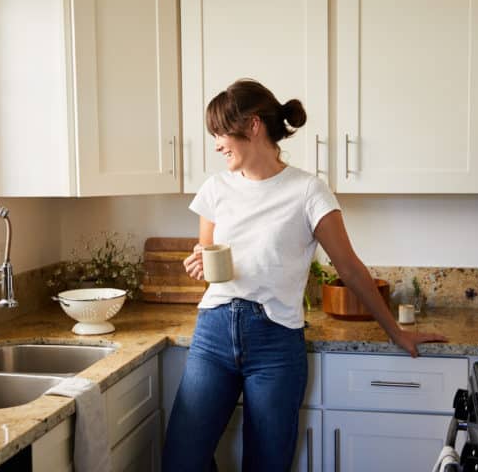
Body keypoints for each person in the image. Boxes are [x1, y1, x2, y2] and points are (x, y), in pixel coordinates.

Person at [162, 79, 447, 472]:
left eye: (220, 132)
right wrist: (198, 261)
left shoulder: (308, 191)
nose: (215, 143)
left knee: (267, 464)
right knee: (181, 460)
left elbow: (349, 267)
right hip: (213, 333)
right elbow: (208, 255)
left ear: (253, 125)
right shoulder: (215, 189)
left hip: (275, 344)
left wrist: (395, 331)